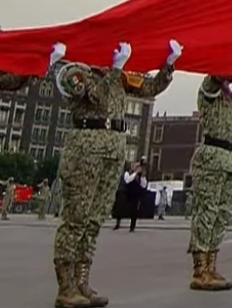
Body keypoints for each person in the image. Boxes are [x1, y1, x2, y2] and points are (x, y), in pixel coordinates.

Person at [48, 40, 178, 308]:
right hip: (85, 150)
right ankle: (66, 287)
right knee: (76, 218)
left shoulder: (118, 76)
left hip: (112, 152)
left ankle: (82, 281)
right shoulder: (74, 72)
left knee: (95, 219)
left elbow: (150, 88)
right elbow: (95, 95)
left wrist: (168, 65)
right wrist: (115, 69)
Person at [187, 73, 232, 291]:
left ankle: (211, 265)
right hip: (213, 160)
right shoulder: (209, 90)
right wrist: (228, 65)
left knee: (223, 215)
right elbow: (214, 78)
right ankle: (200, 269)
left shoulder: (230, 100)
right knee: (207, 213)